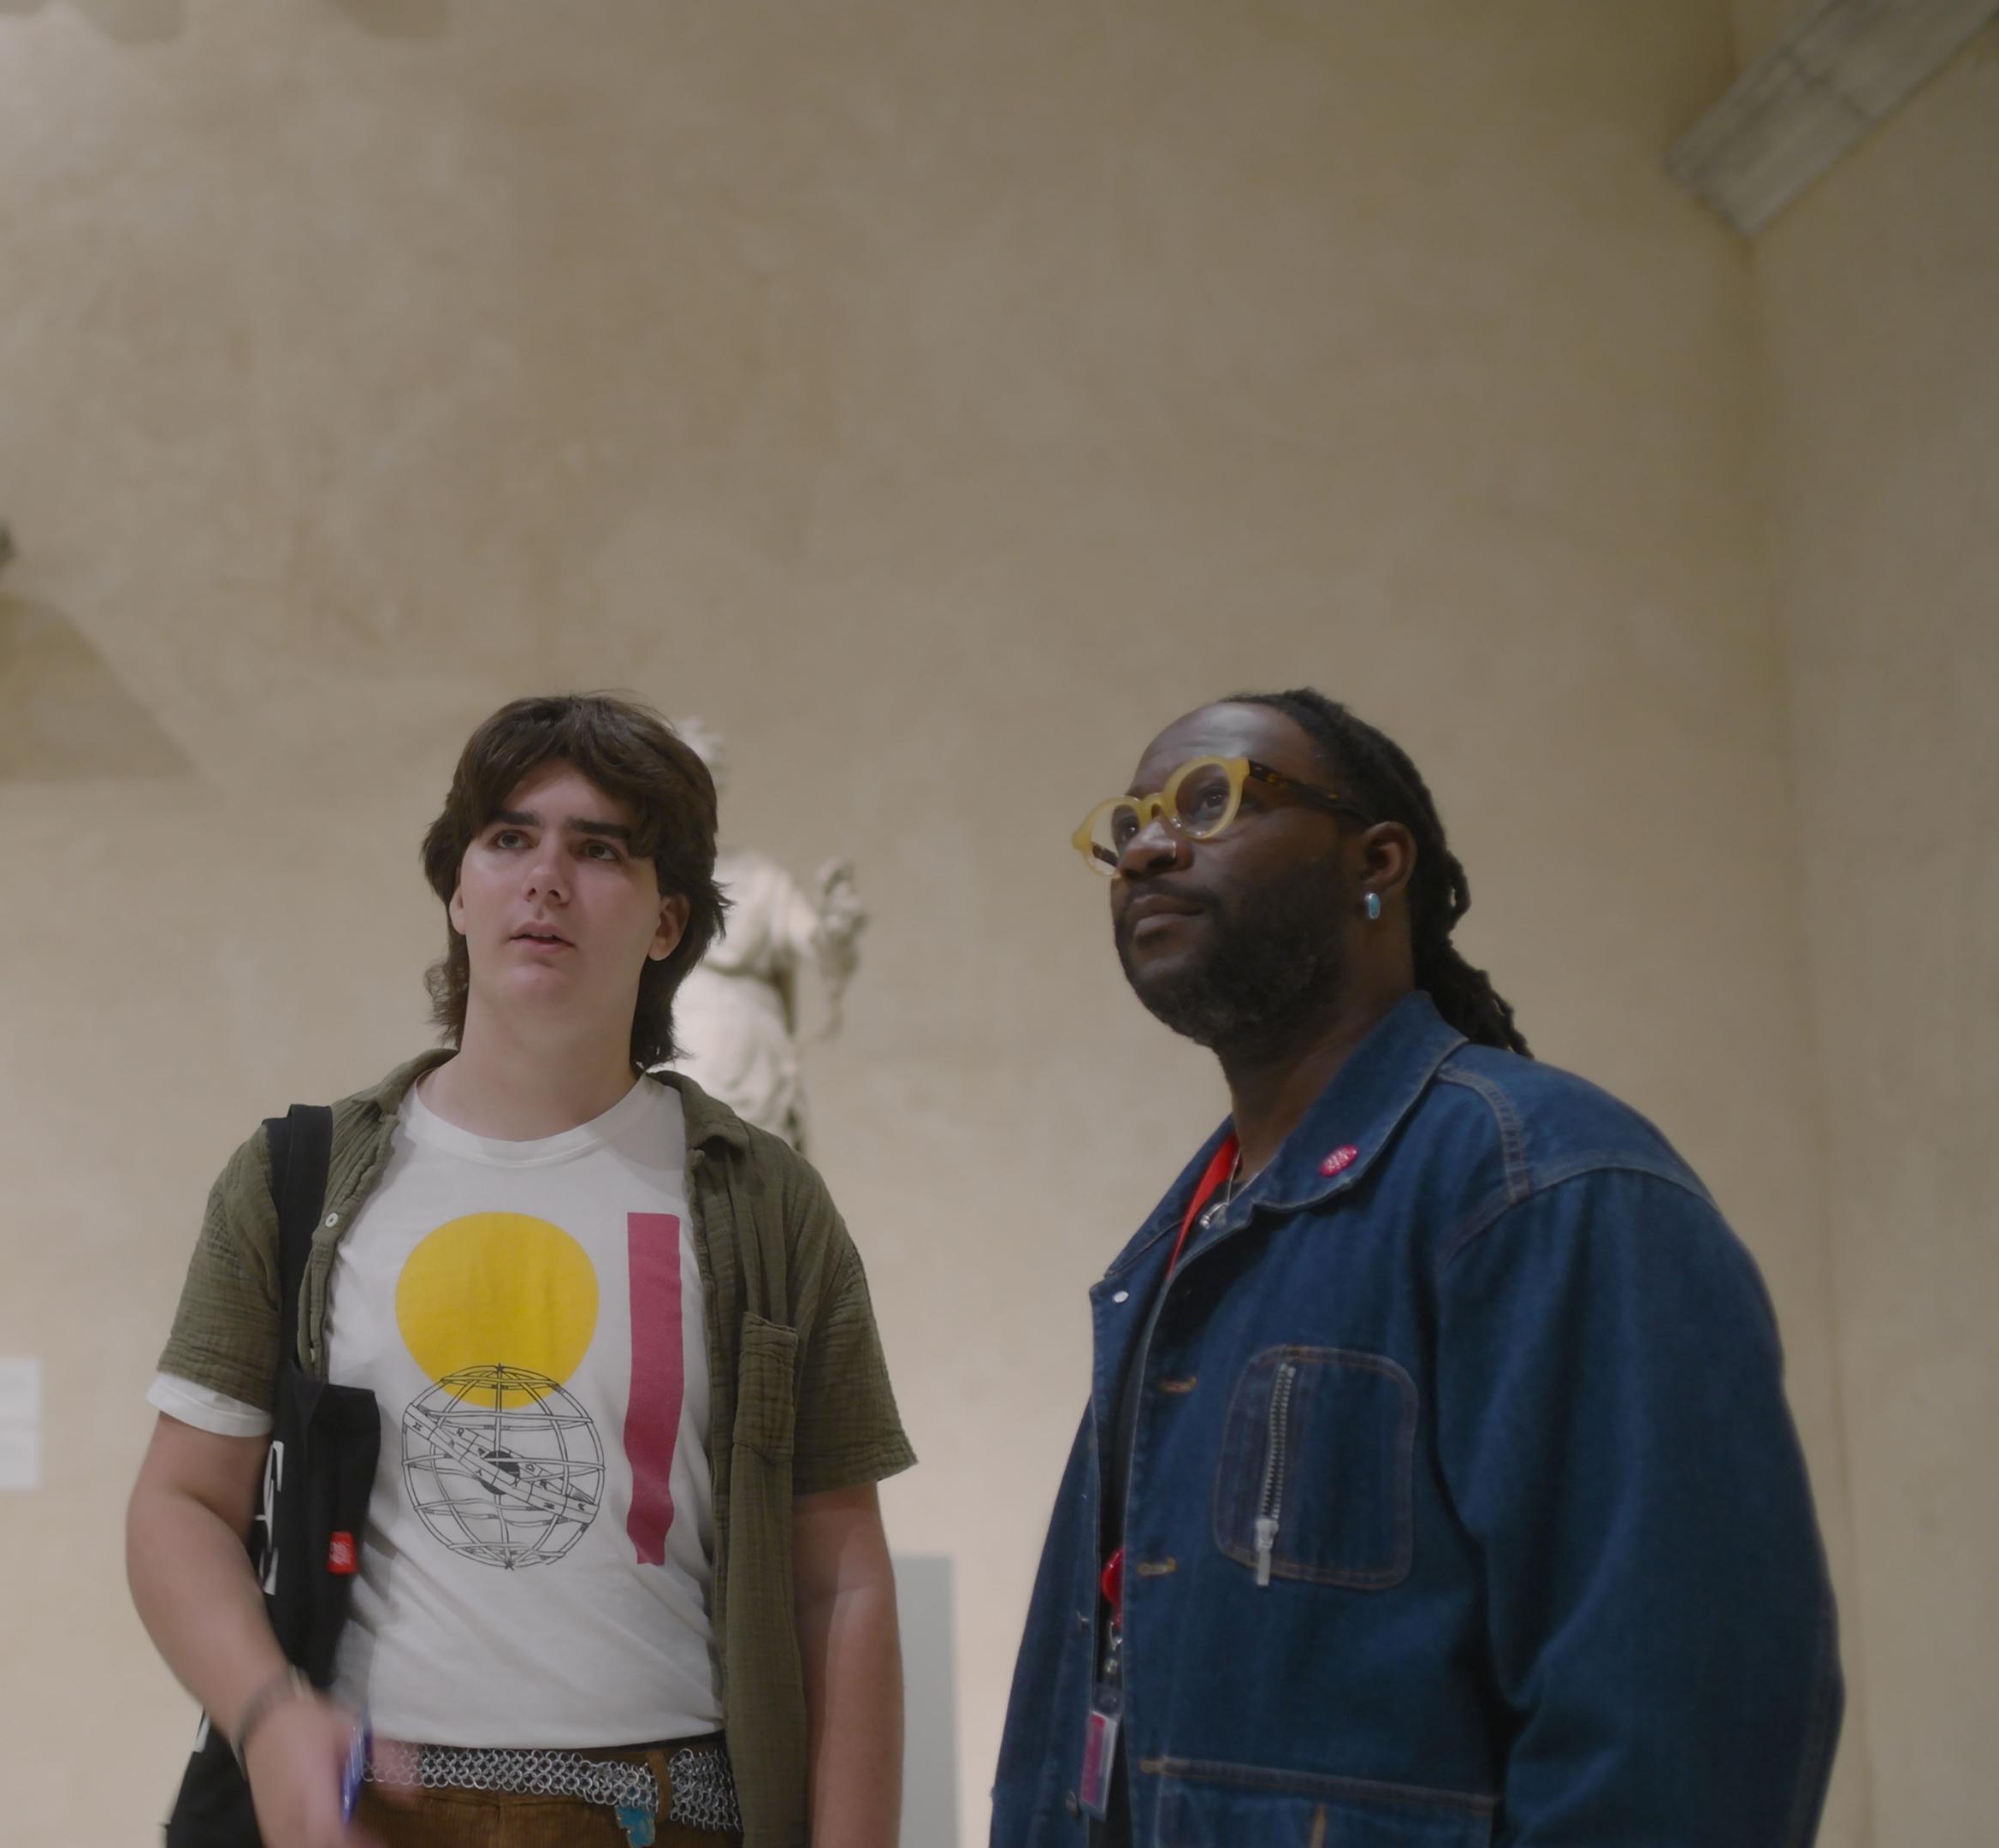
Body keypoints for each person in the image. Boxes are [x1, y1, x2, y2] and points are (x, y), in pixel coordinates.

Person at [992, 689, 1842, 1846]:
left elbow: (1678, 1722)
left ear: (1375, 862)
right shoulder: (1175, 1247)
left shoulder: (1548, 1188)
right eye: (1129, 822)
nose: (1146, 846)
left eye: (1209, 799)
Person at [128, 693, 915, 1848]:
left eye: (600, 849)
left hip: (664, 1813)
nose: (546, 876)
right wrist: (266, 1716)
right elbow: (180, 1502)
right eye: (510, 838)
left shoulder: (763, 1203)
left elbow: (836, 1581)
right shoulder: (297, 1179)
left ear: (667, 922)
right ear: (458, 889)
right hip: (371, 1809)